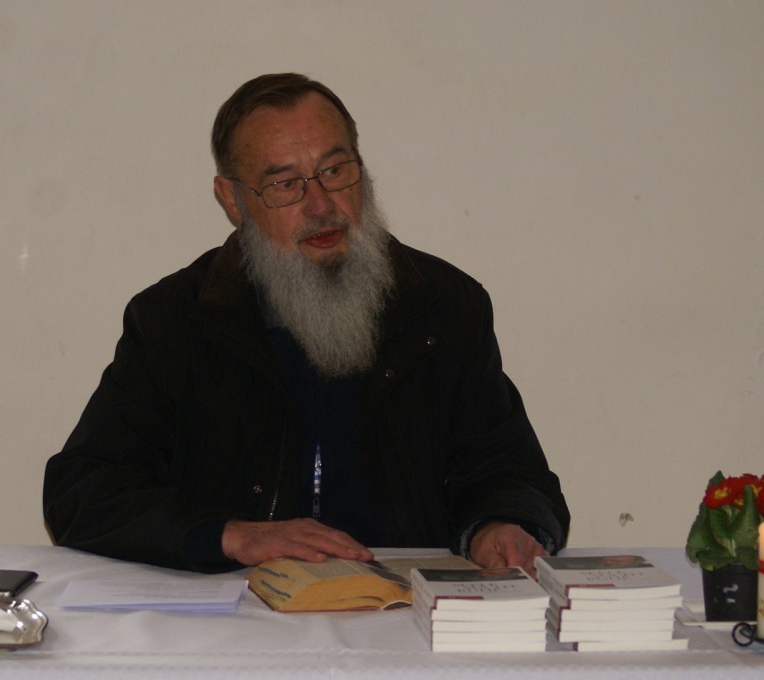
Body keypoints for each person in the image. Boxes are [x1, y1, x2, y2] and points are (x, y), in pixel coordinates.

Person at [43, 73, 570, 576]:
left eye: (335, 171)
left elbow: (507, 468)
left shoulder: (444, 306)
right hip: (238, 612)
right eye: (285, 184)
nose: (321, 205)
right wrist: (231, 535)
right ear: (232, 199)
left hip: (399, 612)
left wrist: (502, 523)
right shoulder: (175, 319)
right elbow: (84, 490)